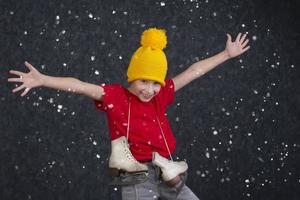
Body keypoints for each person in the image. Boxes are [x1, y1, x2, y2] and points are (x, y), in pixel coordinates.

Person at [8, 28, 250, 199]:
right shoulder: (116, 97)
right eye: (144, 81)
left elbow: (194, 70)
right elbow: (79, 85)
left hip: (169, 172)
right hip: (138, 174)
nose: (150, 89)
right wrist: (43, 80)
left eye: (156, 83)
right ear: (132, 77)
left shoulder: (161, 95)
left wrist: (226, 54)